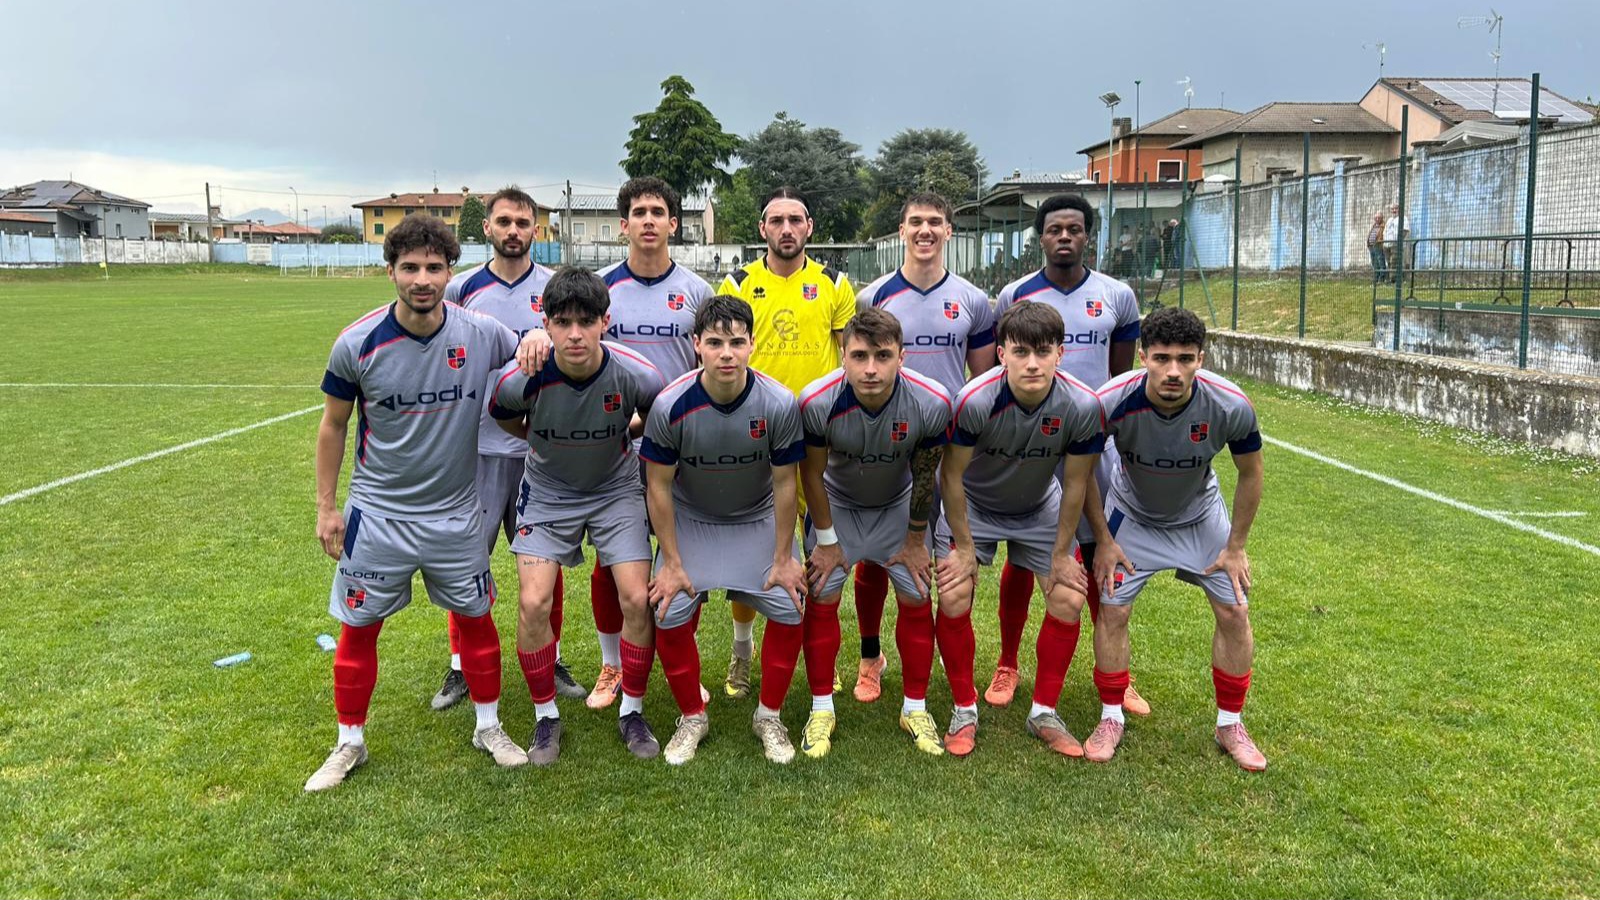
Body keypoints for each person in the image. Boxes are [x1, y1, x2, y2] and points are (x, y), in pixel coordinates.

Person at [306, 214, 528, 791]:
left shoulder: (480, 333)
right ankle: (349, 743)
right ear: (391, 272)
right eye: (409, 268)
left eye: (433, 267)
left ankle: (488, 727)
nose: (422, 279)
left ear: (450, 271)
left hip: (456, 514)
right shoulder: (357, 342)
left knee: (476, 619)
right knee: (359, 627)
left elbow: (530, 348)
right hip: (378, 515)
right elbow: (333, 426)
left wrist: (535, 340)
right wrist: (327, 508)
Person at [487, 267, 666, 765]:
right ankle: (546, 717)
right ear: (544, 322)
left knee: (637, 598)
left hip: (615, 491)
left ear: (605, 321)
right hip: (547, 492)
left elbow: (655, 414)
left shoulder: (637, 373)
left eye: (586, 321)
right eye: (562, 322)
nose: (574, 334)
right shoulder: (523, 377)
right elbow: (503, 414)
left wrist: (623, 432)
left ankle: (632, 710)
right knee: (533, 603)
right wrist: (542, 441)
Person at [1087, 306, 1266, 770]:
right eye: (1162, 357)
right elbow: (1080, 471)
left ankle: (1230, 724)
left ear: (1200, 359)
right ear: (1142, 356)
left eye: (1185, 359)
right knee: (1113, 610)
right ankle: (1111, 716)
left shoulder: (1230, 404)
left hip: (1200, 517)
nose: (1173, 371)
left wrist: (1236, 547)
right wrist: (1104, 539)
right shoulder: (1110, 400)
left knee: (1234, 611)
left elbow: (1251, 472)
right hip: (1132, 517)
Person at [991, 194, 1148, 716]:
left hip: (1089, 440)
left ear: (1087, 236)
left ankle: (1114, 670)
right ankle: (1008, 662)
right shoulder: (1014, 294)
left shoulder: (1117, 296)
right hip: (1032, 441)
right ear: (1040, 237)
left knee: (1098, 550)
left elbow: (1121, 375)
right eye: (1055, 229)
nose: (1064, 237)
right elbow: (1003, 367)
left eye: (1074, 229)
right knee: (1024, 551)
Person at [430, 186, 582, 713]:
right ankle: (460, 666)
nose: (513, 231)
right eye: (504, 221)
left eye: (522, 222)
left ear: (535, 230)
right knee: (465, 560)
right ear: (487, 228)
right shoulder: (461, 288)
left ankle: (552, 657)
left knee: (546, 563)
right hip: (476, 449)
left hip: (540, 450)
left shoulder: (555, 288)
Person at [641, 295, 810, 764]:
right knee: (668, 608)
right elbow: (658, 487)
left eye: (736, 342)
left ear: (752, 343)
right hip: (693, 519)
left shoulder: (778, 402)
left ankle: (769, 716)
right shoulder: (670, 405)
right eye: (715, 343)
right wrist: (671, 563)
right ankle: (692, 716)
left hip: (754, 518)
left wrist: (783, 558)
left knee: (791, 605)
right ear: (697, 345)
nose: (727, 354)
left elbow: (785, 484)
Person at [935, 301, 1105, 757]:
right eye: (1021, 352)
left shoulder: (1082, 405)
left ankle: (1043, 712)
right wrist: (964, 549)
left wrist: (1061, 554)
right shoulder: (975, 401)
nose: (1032, 363)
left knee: (1069, 596)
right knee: (953, 593)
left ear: (1060, 354)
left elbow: (1076, 483)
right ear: (1001, 354)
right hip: (975, 506)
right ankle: (964, 708)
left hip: (1038, 505)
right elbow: (951, 476)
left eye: (1043, 352)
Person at [849, 191, 996, 703]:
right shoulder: (874, 296)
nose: (925, 230)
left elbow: (983, 381)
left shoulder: (973, 300)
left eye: (935, 221)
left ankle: (945, 671)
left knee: (948, 561)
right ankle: (870, 657)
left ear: (949, 231)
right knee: (875, 558)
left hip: (948, 452)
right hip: (887, 449)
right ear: (902, 230)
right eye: (916, 221)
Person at [716, 187, 856, 699]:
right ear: (762, 229)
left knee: (822, 550)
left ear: (810, 227)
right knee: (757, 550)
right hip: (758, 434)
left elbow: (850, 359)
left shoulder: (834, 284)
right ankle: (741, 650)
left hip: (817, 438)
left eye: (795, 220)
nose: (786, 229)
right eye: (776, 220)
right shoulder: (737, 284)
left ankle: (823, 656)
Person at [797, 307, 952, 756]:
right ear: (842, 356)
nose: (870, 369)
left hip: (897, 505)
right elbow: (812, 475)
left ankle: (915, 707)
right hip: (838, 504)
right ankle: (821, 708)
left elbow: (926, 475)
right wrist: (827, 542)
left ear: (901, 357)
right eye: (860, 356)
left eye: (882, 356)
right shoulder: (817, 401)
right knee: (822, 593)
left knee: (917, 593)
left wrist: (915, 540)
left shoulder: (931, 401)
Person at [584, 177, 713, 710]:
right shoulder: (600, 289)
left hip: (683, 449)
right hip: (618, 447)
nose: (648, 221)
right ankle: (612, 664)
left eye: (658, 212)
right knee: (611, 561)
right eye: (638, 212)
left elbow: (711, 367)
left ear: (674, 224)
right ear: (623, 225)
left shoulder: (698, 292)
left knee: (686, 558)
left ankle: (681, 662)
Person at [1383, 202, 1408, 285]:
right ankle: (1391, 278)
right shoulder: (1389, 220)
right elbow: (1385, 231)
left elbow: (1405, 231)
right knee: (1389, 262)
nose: (1394, 210)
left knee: (1394, 261)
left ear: (1399, 209)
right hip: (1387, 244)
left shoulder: (1403, 218)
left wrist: (1398, 241)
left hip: (1396, 244)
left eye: (1396, 208)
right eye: (1392, 209)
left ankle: (1394, 280)